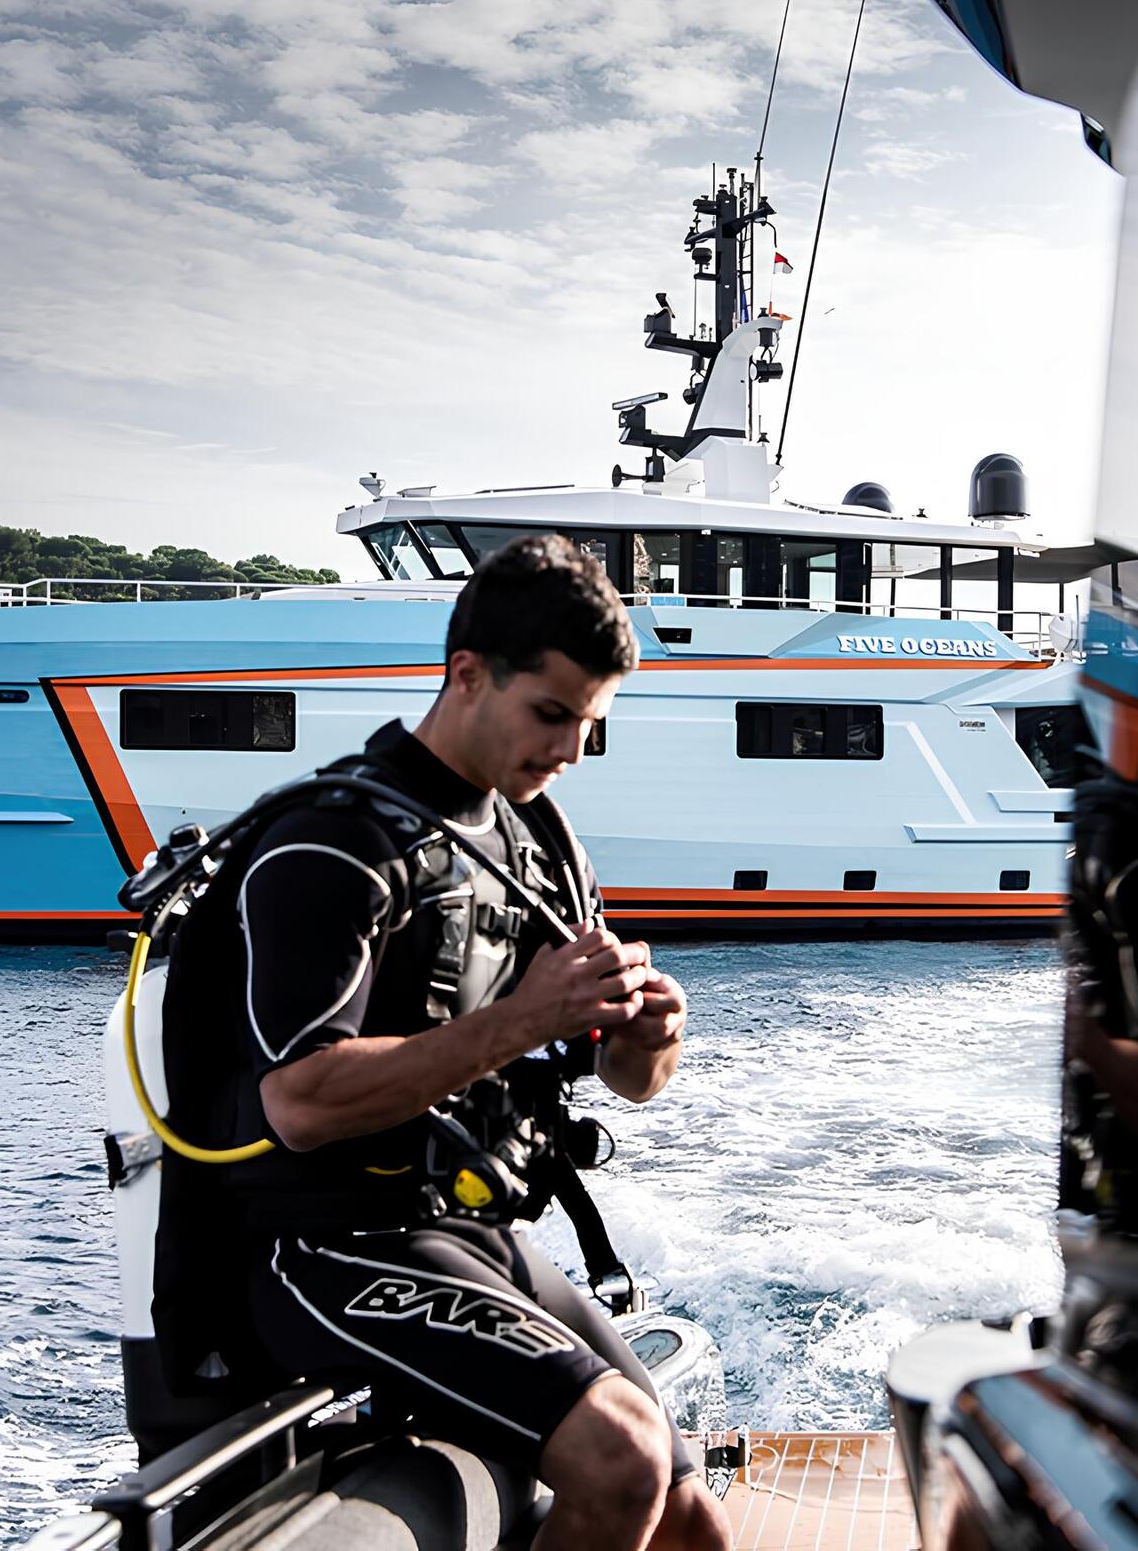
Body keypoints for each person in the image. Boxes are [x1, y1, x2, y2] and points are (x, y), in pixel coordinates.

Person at [159, 534, 729, 1551]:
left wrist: (652, 1035)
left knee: (690, 1518)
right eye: (550, 715)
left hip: (467, 1230)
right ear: (466, 674)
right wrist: (526, 1018)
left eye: (589, 726)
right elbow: (299, 1100)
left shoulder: (539, 841)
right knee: (621, 1459)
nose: (567, 750)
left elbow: (627, 1079)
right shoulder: (330, 845)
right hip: (320, 1244)